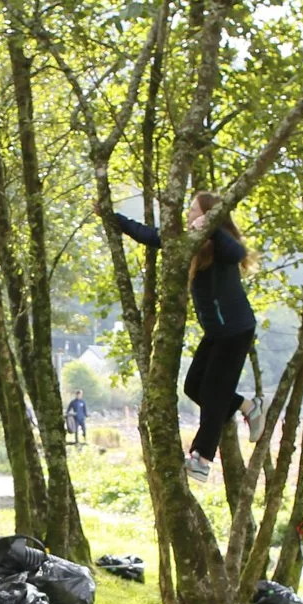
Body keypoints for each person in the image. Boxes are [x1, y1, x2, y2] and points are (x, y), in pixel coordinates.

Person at [109, 192, 258, 482]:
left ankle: (202, 459)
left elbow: (238, 254)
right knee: (193, 387)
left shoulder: (221, 244)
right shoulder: (191, 242)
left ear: (210, 215)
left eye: (194, 210)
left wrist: (211, 226)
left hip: (236, 330)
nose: (190, 215)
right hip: (217, 332)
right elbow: (150, 235)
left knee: (214, 396)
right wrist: (114, 219)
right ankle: (246, 406)